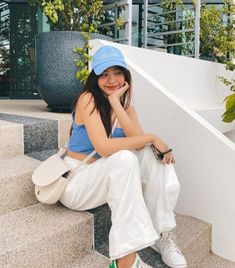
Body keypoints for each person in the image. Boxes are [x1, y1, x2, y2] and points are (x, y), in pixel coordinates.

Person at [59, 45, 187, 268]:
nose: (112, 80)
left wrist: (117, 104)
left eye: (117, 72)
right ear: (95, 77)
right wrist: (154, 137)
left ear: (126, 76)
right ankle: (126, 261)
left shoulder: (126, 109)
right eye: (105, 74)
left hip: (107, 177)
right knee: (126, 157)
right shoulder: (87, 99)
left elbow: (140, 143)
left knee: (153, 157)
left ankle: (162, 235)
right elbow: (104, 147)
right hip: (77, 182)